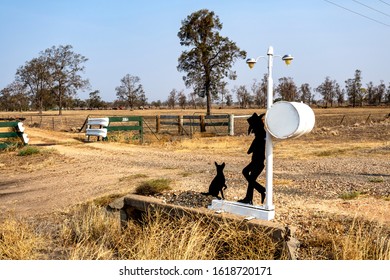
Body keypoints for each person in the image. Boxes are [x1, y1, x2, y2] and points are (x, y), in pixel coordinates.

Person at [237, 112, 266, 205]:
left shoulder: (260, 135)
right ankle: (249, 198)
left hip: (258, 162)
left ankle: (261, 190)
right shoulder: (261, 134)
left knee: (246, 173)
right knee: (251, 179)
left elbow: (252, 149)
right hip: (257, 161)